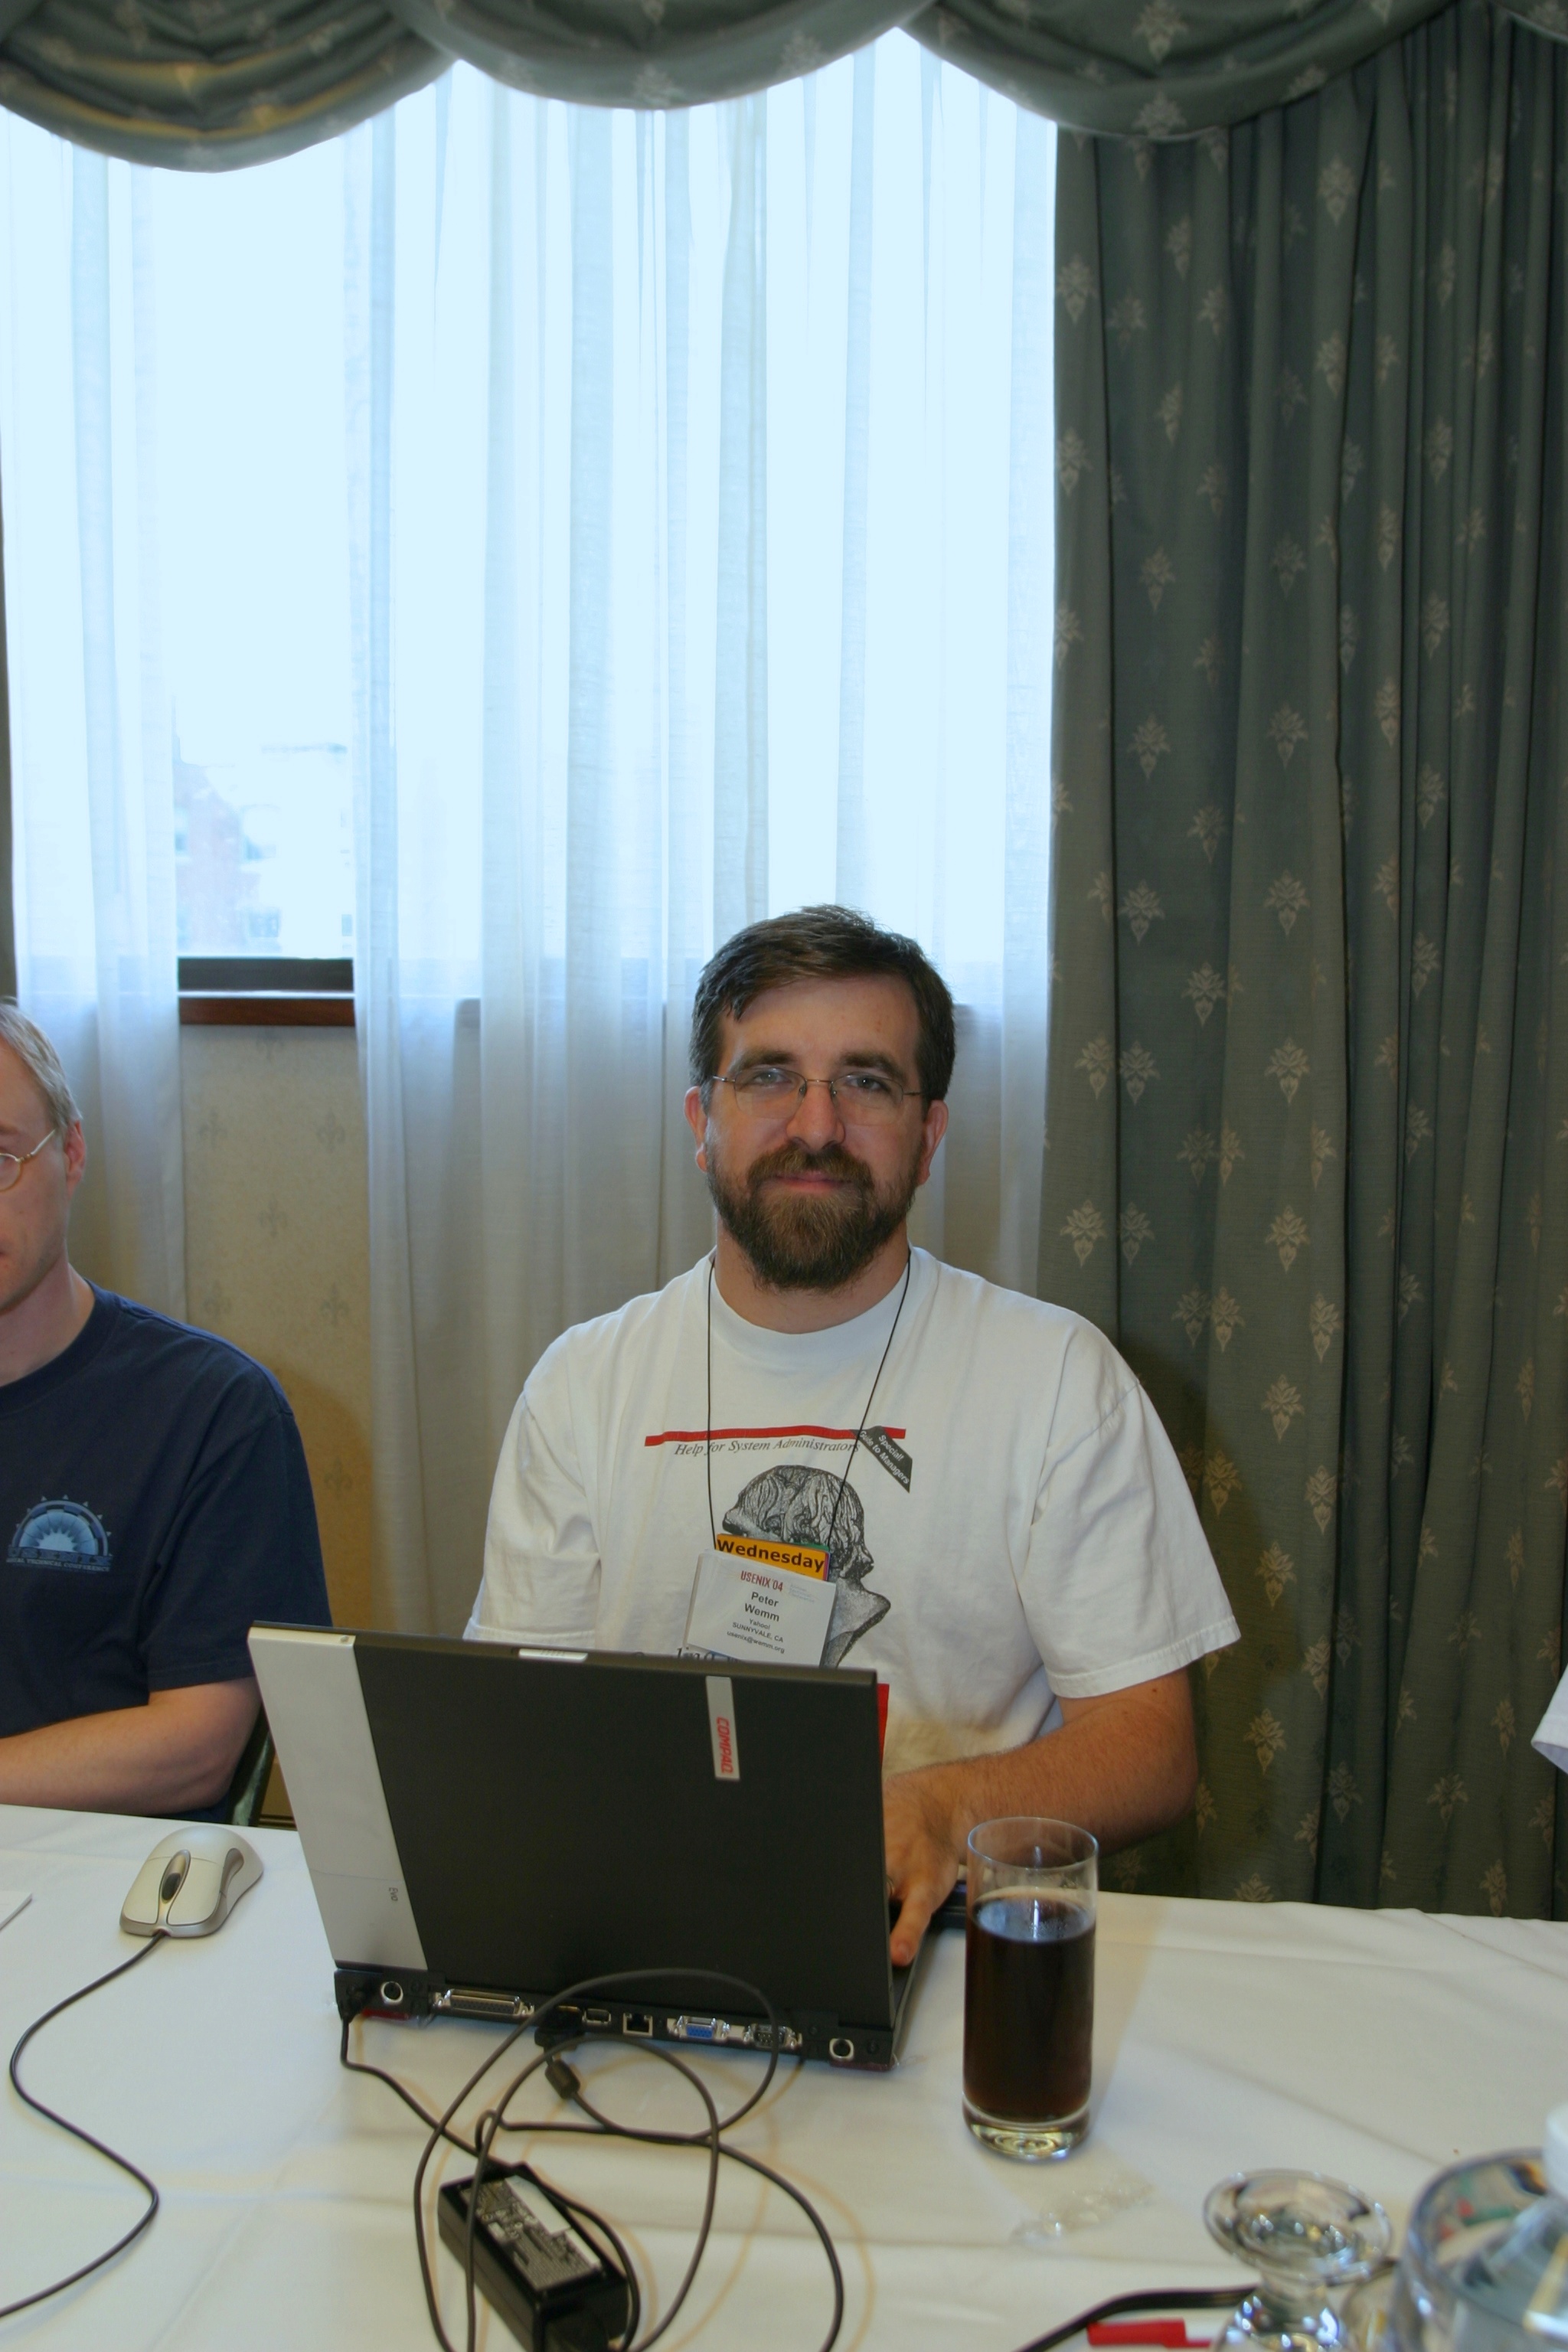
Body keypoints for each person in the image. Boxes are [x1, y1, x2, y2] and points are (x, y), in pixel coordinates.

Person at [468, 909, 1239, 1962]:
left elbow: (1150, 1750)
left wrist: (944, 1810)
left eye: (867, 1082)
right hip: (646, 1932)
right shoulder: (582, 1385)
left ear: (929, 1137)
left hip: (952, 1946)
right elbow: (518, 1729)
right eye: (769, 1076)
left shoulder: (1057, 1379)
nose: (817, 1126)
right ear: (702, 1119)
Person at [0, 1004, 331, 1818]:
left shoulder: (213, 1412)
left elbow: (196, 1750)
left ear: (71, 1153)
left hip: (109, 1876)